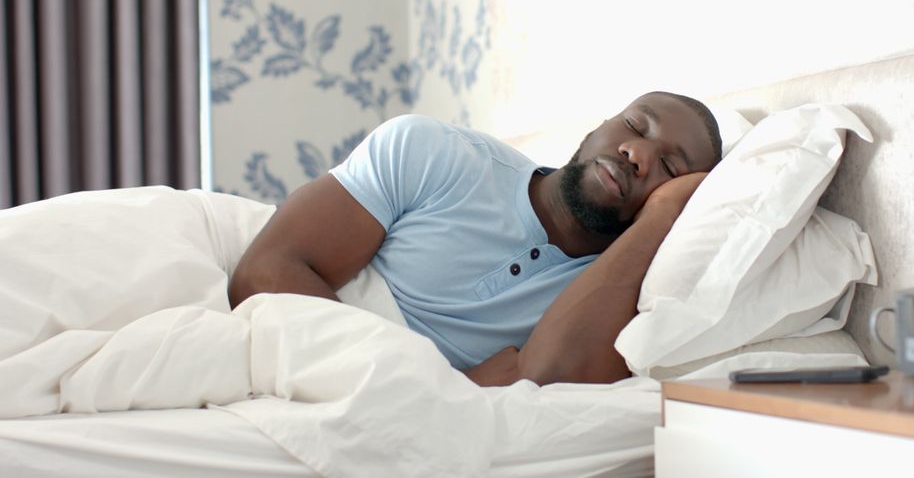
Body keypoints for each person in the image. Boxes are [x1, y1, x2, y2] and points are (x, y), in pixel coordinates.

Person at [228, 91, 723, 387]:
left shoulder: (621, 289)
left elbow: (545, 377)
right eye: (635, 125)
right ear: (601, 124)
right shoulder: (434, 152)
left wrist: (661, 217)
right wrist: (443, 387)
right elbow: (263, 274)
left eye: (669, 167)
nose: (636, 152)